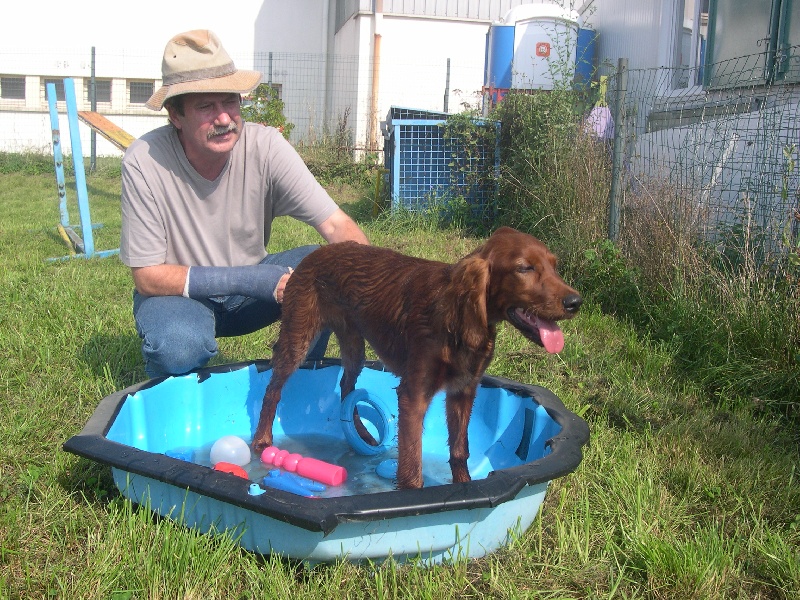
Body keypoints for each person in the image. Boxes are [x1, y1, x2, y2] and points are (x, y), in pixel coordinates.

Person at [120, 30, 369, 378]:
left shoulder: (265, 146)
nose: (224, 119)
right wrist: (254, 279)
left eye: (230, 101)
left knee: (333, 270)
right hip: (179, 298)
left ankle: (300, 376)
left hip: (253, 299)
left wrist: (377, 284)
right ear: (175, 115)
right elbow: (147, 277)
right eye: (206, 106)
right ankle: (174, 405)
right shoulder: (145, 160)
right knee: (178, 345)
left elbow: (336, 224)